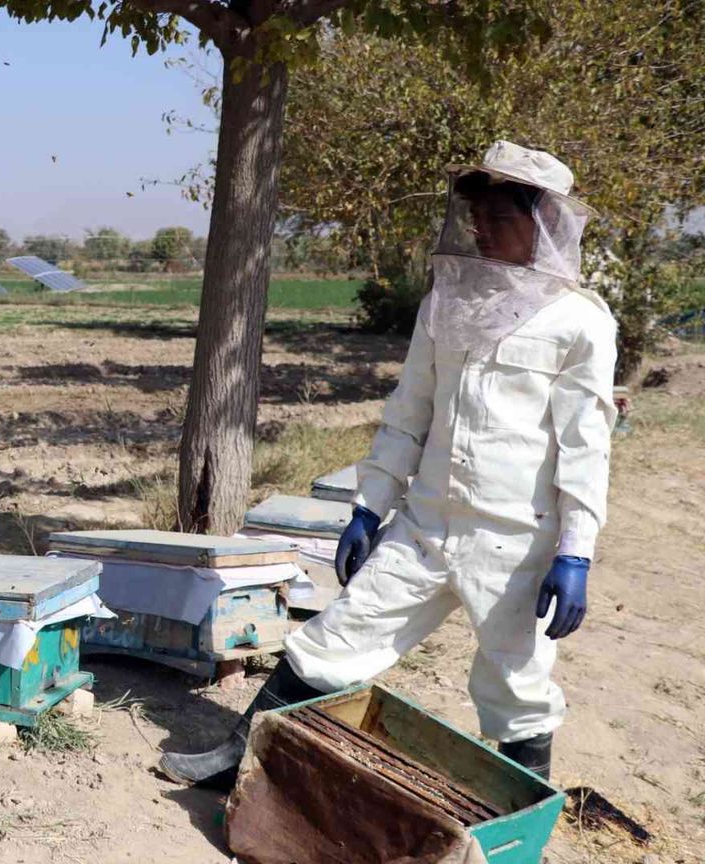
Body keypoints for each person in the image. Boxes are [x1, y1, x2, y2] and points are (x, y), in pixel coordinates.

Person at [160, 141, 616, 787]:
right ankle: (241, 759)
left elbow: (585, 445)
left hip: (517, 539)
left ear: (545, 227)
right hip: (426, 520)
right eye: (478, 216)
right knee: (335, 639)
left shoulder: (580, 323)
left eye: (501, 219)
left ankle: (517, 810)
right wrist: (369, 505)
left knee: (515, 684)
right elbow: (410, 411)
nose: (483, 230)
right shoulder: (447, 301)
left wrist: (574, 552)